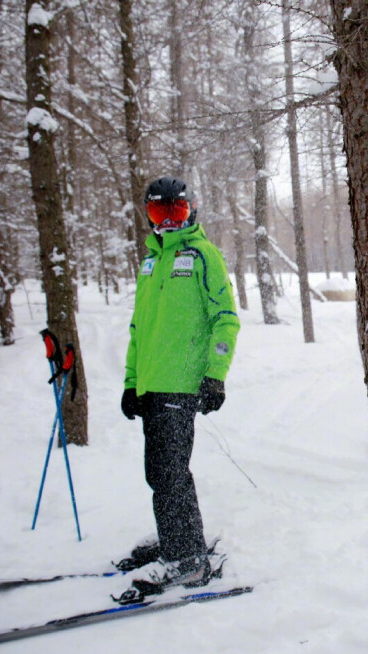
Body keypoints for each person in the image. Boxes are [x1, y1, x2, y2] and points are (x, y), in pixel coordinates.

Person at [120, 176, 241, 591]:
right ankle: (176, 538)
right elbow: (140, 329)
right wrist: (132, 383)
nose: (169, 222)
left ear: (190, 212)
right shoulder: (150, 264)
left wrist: (215, 375)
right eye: (160, 213)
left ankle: (187, 557)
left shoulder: (203, 256)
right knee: (158, 472)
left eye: (178, 212)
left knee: (171, 473)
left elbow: (225, 318)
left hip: (183, 384)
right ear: (148, 215)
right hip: (152, 386)